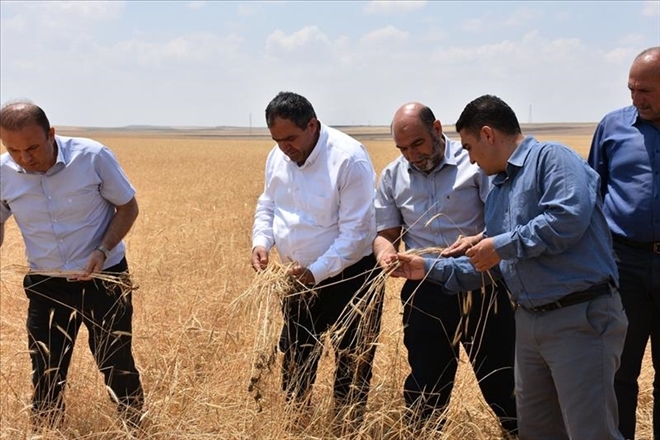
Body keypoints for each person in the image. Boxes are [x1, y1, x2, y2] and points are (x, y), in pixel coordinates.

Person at [387, 95, 628, 440]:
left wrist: (498, 245)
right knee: (537, 430)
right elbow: (489, 267)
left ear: (488, 135)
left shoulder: (552, 158)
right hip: (530, 322)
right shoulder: (499, 190)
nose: (468, 157)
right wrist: (426, 268)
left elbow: (566, 219)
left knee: (591, 431)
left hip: (579, 316)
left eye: (468, 147)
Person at [372, 102, 517, 433]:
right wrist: (385, 254)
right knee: (426, 386)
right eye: (403, 148)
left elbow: (501, 225)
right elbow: (385, 234)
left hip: (483, 287)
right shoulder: (393, 175)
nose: (411, 154)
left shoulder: (476, 161)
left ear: (437, 129)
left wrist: (477, 241)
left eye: (418, 144)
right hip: (425, 291)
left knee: (503, 381)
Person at [0, 102, 144, 430]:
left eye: (33, 147)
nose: (24, 158)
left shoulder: (92, 157)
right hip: (45, 284)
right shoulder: (2, 172)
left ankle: (136, 431)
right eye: (13, 149)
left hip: (104, 279)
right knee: (46, 373)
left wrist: (103, 250)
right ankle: (46, 434)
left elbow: (127, 207)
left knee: (117, 365)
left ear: (51, 133)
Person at [250, 91, 383, 428]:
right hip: (296, 280)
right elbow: (268, 204)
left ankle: (345, 429)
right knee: (296, 358)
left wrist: (316, 272)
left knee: (353, 362)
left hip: (352, 277)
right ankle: (297, 426)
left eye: (291, 138)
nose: (285, 147)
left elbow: (356, 235)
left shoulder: (348, 158)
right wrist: (261, 241)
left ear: (312, 125)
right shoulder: (277, 156)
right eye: (277, 140)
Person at [588, 46, 660, 440]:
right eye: (631, 89)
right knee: (619, 370)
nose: (636, 98)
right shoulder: (612, 127)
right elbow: (591, 194)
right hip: (624, 264)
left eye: (645, 90)